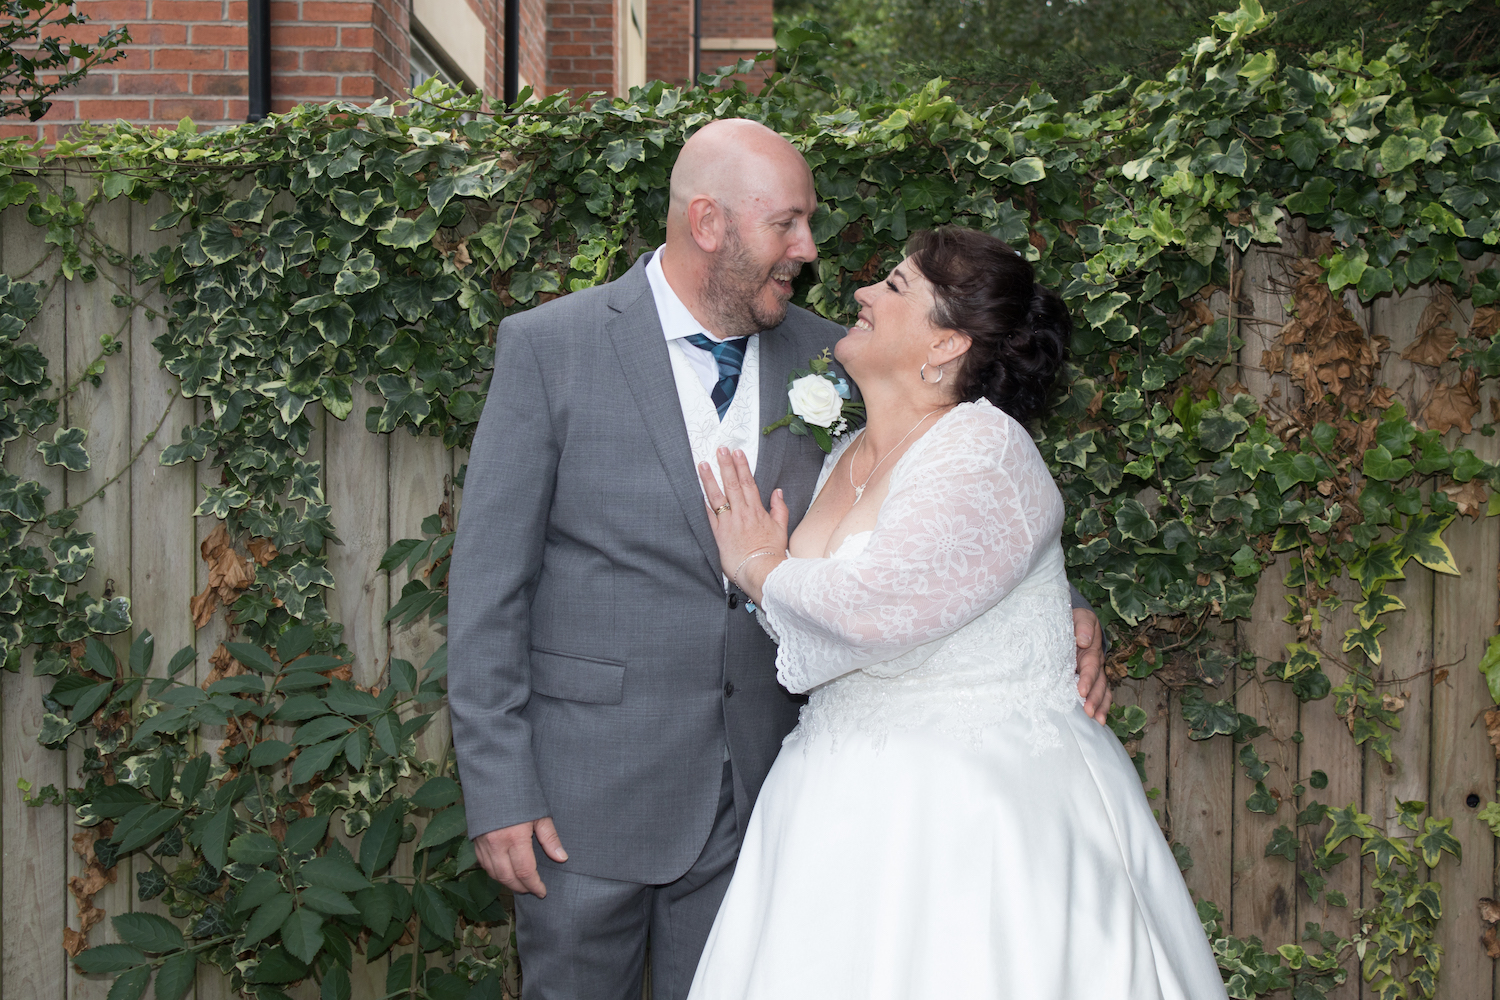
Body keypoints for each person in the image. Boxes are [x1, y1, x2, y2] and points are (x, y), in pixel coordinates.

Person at [447, 120, 1112, 1000]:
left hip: (768, 801)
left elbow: (946, 496)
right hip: (584, 801)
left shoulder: (840, 358)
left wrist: (1059, 610)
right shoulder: (550, 348)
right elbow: (489, 588)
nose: (808, 249)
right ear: (710, 223)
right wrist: (501, 789)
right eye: (787, 225)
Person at [686, 226, 1227, 999]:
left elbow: (879, 608)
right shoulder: (845, 456)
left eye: (897, 286)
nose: (863, 292)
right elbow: (826, 629)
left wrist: (760, 566)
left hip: (974, 814)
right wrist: (775, 579)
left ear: (946, 347)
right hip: (833, 804)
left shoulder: (984, 449)